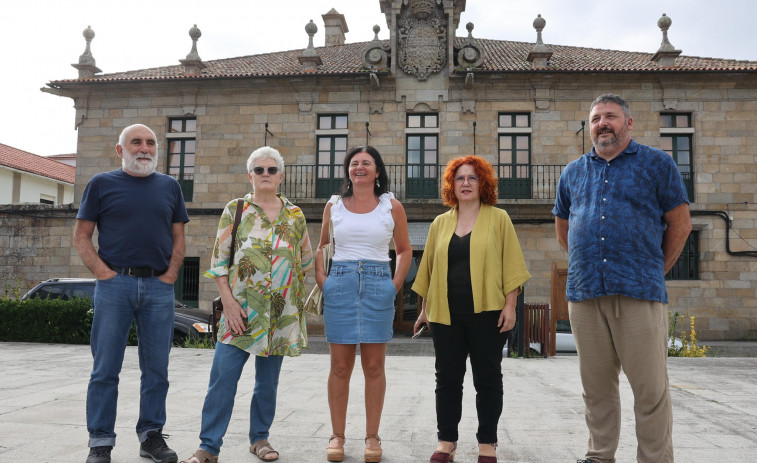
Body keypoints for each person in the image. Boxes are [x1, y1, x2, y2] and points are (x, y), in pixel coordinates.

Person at [553, 94, 692, 463]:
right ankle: (600, 456)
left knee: (650, 391)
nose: (603, 123)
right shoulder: (573, 172)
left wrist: (653, 269)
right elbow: (564, 227)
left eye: (611, 116)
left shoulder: (657, 164)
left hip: (639, 291)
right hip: (585, 293)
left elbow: (681, 224)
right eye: (596, 117)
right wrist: (587, 262)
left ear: (628, 123)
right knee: (595, 388)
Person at [180, 147, 313, 463]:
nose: (265, 174)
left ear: (281, 176)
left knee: (267, 384)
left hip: (278, 316)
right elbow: (218, 261)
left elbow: (305, 259)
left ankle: (260, 440)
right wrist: (228, 302)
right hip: (238, 313)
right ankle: (208, 448)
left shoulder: (295, 215)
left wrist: (287, 291)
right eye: (259, 170)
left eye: (271, 169)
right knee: (222, 381)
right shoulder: (235, 209)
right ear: (250, 175)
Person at [74, 123, 189, 463]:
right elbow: (82, 235)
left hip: (158, 288)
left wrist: (170, 275)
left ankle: (151, 437)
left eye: (150, 142)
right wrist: (103, 273)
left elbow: (179, 237)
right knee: (105, 369)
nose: (144, 148)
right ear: (120, 149)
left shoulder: (170, 187)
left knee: (157, 369)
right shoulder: (101, 184)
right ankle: (100, 442)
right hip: (115, 287)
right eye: (136, 142)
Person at [411, 155, 531, 463]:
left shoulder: (499, 218)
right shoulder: (440, 223)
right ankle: (446, 441)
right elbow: (428, 270)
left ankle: (487, 444)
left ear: (483, 183)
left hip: (488, 314)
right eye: (460, 178)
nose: (466, 183)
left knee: (487, 379)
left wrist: (511, 306)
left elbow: (512, 267)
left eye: (473, 178)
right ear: (452, 184)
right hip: (445, 315)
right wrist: (424, 310)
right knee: (447, 379)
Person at [315, 146, 411, 463]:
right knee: (340, 367)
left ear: (377, 171)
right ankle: (337, 436)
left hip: (377, 281)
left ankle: (372, 436)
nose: (360, 167)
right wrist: (322, 280)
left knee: (373, 366)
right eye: (354, 163)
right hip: (340, 283)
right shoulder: (334, 206)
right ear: (348, 171)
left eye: (366, 163)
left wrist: (393, 286)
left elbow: (404, 249)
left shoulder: (391, 206)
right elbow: (322, 246)